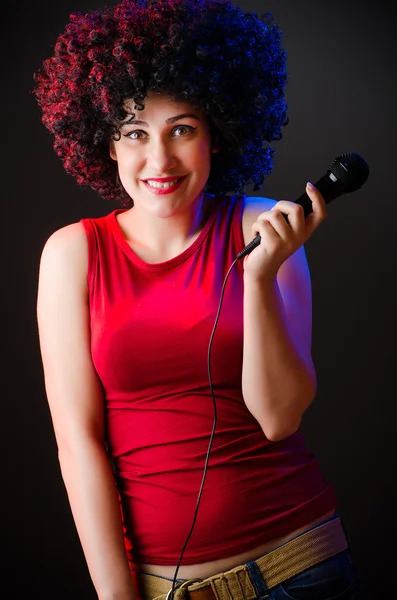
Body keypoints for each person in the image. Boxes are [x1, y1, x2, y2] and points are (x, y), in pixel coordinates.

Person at [33, 1, 362, 599]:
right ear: (107, 144)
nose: (158, 160)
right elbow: (77, 441)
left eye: (181, 129)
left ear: (217, 133)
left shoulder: (262, 227)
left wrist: (258, 280)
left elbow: (279, 417)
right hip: (166, 588)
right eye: (135, 133)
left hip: (303, 568)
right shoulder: (72, 254)